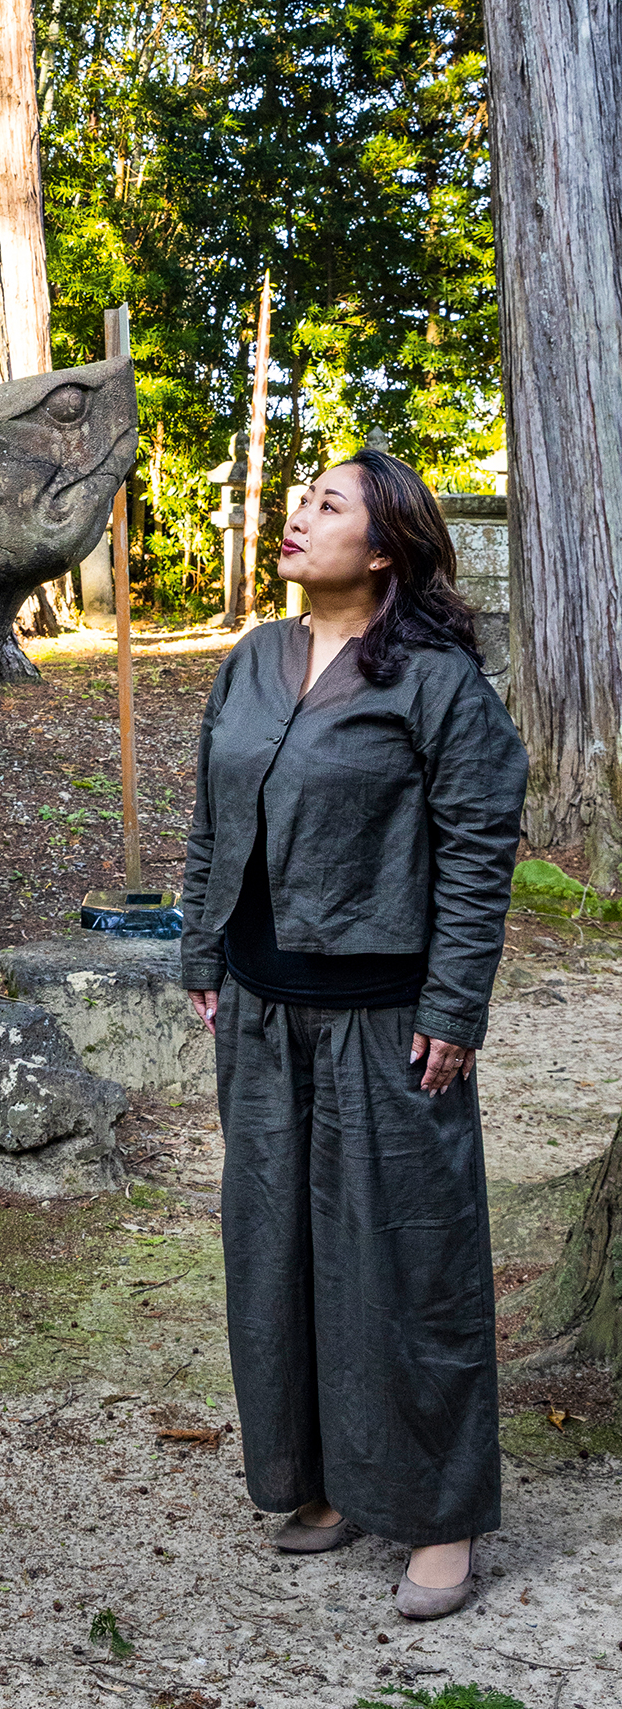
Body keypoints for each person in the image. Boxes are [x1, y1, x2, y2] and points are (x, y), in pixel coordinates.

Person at [181, 446, 526, 1622]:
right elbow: (208, 819)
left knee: (409, 1264)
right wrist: (201, 954)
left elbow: (481, 847)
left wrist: (453, 1005)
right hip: (264, 1017)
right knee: (281, 1255)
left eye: (327, 504)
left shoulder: (435, 680)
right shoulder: (252, 660)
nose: (297, 513)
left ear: (383, 547)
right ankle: (323, 1480)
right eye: (300, 497)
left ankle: (438, 1513)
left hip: (391, 1028)